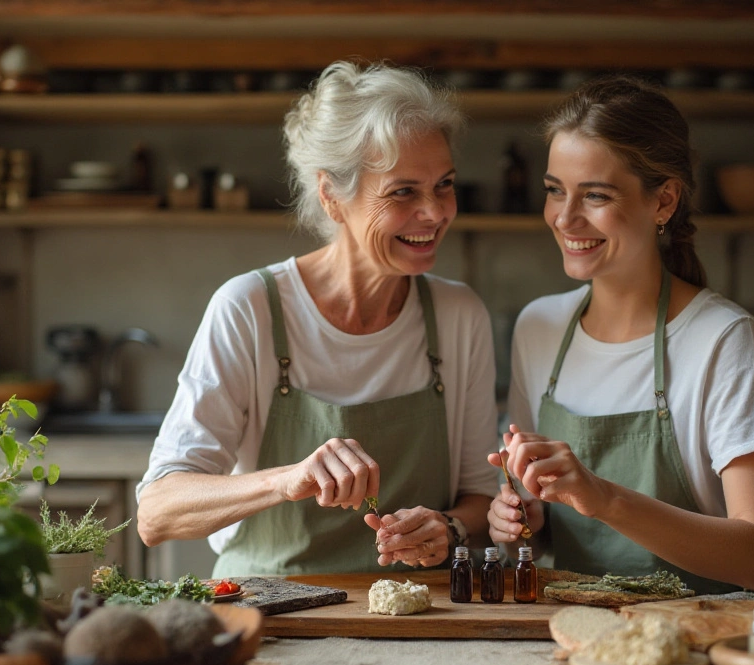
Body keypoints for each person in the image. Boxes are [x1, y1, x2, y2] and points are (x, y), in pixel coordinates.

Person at [137, 61, 499, 576]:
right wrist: (283, 480)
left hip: (420, 612)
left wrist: (451, 527)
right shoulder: (250, 308)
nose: (436, 212)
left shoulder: (459, 315)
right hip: (268, 610)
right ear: (332, 196)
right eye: (403, 192)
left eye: (444, 185)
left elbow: (482, 495)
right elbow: (156, 512)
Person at [486, 76, 754, 592]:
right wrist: (517, 522)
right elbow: (534, 536)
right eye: (555, 190)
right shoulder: (538, 328)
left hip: (693, 641)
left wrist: (605, 499)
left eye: (595, 195)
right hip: (568, 632)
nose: (565, 217)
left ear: (664, 201)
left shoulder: (724, 339)